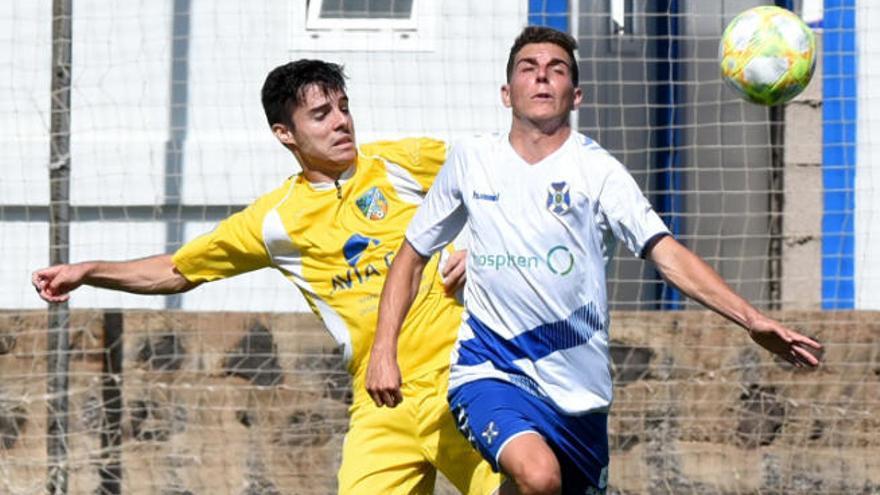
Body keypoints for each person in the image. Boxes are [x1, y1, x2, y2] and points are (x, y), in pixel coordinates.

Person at [365, 26, 823, 495]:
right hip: (490, 369)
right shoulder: (470, 160)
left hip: (579, 394)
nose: (542, 77)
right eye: (529, 68)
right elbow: (410, 257)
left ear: (576, 94)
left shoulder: (598, 171)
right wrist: (384, 351)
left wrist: (751, 319)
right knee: (538, 476)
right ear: (507, 93)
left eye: (556, 69)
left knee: (535, 485)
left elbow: (666, 254)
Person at [32, 59, 503, 495]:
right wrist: (89, 271)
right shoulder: (275, 221)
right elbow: (176, 270)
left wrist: (483, 248)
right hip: (381, 397)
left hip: (462, 376)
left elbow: (512, 180)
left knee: (522, 484)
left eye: (343, 108)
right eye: (321, 114)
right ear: (285, 133)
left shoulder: (401, 163)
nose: (341, 122)